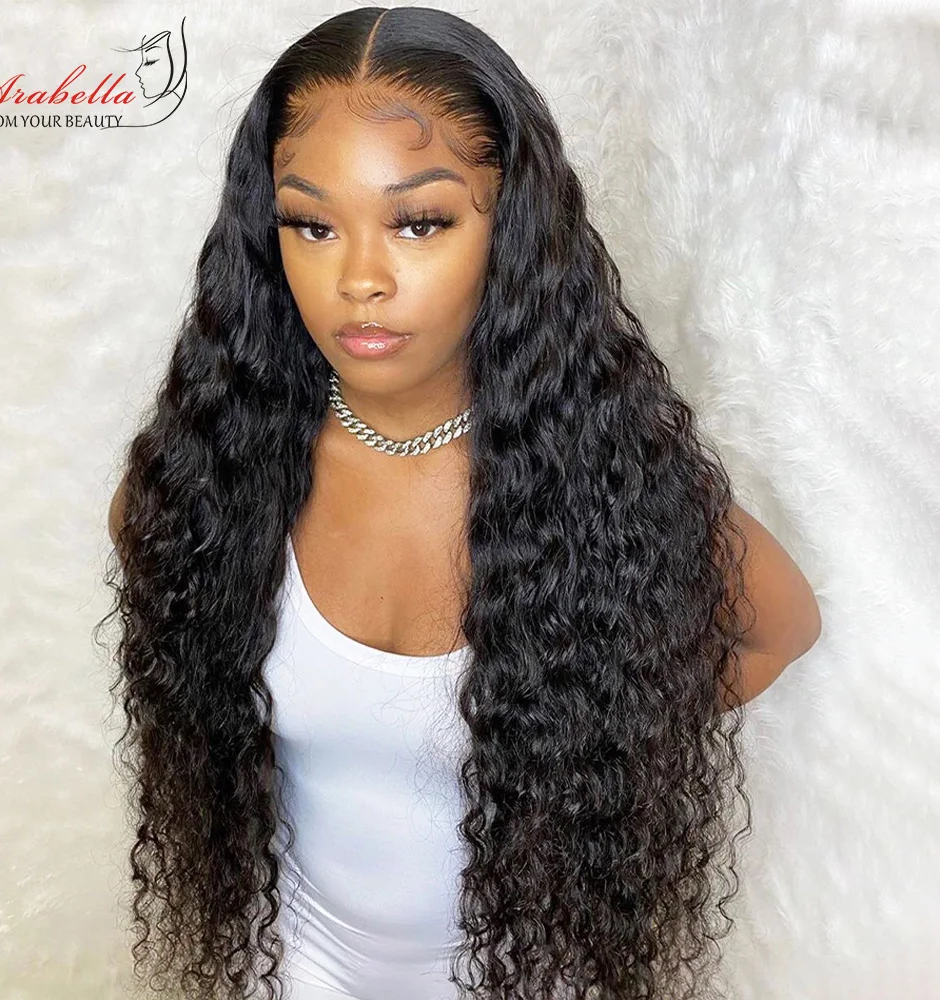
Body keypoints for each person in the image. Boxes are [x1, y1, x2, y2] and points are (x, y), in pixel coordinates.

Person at [100, 7, 822, 1000]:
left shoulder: (603, 478)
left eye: (419, 222)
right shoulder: (212, 473)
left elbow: (779, 630)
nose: (360, 279)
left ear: (511, 228)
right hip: (299, 968)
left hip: (528, 971)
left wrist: (615, 723)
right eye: (313, 224)